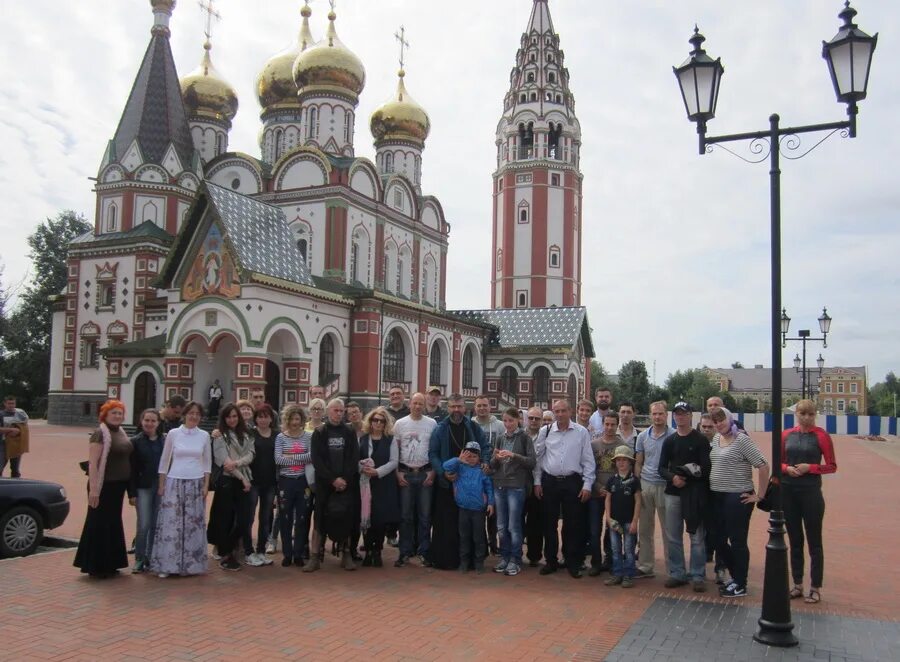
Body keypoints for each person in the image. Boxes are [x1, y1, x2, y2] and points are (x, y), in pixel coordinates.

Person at [709, 407, 769, 598]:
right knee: (716, 539)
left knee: (737, 541)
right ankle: (736, 576)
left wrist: (759, 495)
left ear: (730, 420)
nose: (719, 424)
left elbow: (763, 465)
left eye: (722, 420)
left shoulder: (741, 439)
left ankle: (740, 583)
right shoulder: (716, 439)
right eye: (715, 421)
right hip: (717, 496)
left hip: (737, 497)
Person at [782, 399, 837, 605]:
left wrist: (810, 468)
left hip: (811, 492)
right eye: (802, 414)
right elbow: (778, 461)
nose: (806, 418)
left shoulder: (821, 435)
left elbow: (831, 466)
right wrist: (787, 468)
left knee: (814, 541)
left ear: (815, 415)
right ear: (796, 414)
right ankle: (797, 584)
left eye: (810, 414)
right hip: (788, 491)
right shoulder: (787, 434)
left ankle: (815, 587)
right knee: (795, 540)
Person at [533, 398, 595, 579]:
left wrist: (587, 484)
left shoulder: (581, 432)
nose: (560, 414)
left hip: (572, 481)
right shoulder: (546, 431)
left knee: (573, 524)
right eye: (556, 411)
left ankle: (572, 562)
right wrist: (537, 482)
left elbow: (588, 460)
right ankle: (551, 561)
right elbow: (538, 458)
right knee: (549, 523)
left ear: (570, 412)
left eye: (563, 411)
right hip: (550, 482)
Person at [150, 401, 211, 578]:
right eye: (191, 413)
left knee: (193, 524)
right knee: (171, 524)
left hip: (196, 482)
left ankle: (190, 565)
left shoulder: (204, 435)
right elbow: (164, 461)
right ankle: (168, 564)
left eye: (197, 414)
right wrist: (162, 484)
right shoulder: (173, 434)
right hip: (174, 481)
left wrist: (206, 485)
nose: (194, 416)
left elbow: (207, 462)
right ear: (184, 414)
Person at [74, 400, 134, 578]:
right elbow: (93, 464)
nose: (117, 416)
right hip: (103, 486)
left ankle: (111, 563)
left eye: (119, 413)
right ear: (105, 415)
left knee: (112, 523)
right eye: (113, 413)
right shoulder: (101, 434)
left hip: (118, 487)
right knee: (99, 524)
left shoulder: (121, 431)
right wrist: (94, 490)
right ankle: (95, 565)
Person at [429, 393, 489, 570]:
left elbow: (485, 447)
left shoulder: (473, 427)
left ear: (465, 407)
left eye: (459, 406)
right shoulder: (440, 429)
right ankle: (447, 560)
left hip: (470, 483)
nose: (456, 410)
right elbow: (433, 454)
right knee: (447, 523)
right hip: (448, 482)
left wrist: (484, 461)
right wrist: (443, 473)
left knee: (472, 524)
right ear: (448, 408)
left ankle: (471, 560)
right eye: (453, 407)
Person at [658, 401, 711, 592]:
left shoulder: (700, 440)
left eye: (684, 413)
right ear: (674, 416)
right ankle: (677, 573)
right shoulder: (670, 440)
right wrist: (673, 478)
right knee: (673, 536)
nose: (681, 417)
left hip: (694, 494)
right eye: (678, 414)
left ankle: (697, 574)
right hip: (673, 493)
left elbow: (706, 469)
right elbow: (661, 468)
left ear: (691, 416)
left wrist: (689, 473)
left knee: (696, 536)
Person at [304, 398, 360, 572]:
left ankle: (346, 555)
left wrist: (344, 479)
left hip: (346, 484)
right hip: (325, 484)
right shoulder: (320, 432)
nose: (338, 413)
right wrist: (332, 480)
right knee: (319, 519)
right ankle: (314, 557)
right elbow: (317, 459)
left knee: (346, 518)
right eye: (335, 410)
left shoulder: (349, 431)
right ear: (328, 411)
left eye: (341, 411)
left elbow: (354, 457)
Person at [207, 403, 255, 572]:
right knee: (225, 519)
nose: (232, 419)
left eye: (235, 416)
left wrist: (238, 463)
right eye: (229, 417)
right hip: (228, 481)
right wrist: (242, 478)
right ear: (224, 418)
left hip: (244, 480)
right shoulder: (220, 435)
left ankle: (227, 548)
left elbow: (251, 454)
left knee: (244, 520)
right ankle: (226, 554)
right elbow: (224, 461)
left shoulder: (246, 433)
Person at [393, 393, 438, 567]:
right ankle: (404, 551)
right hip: (406, 473)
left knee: (425, 516)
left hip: (425, 473)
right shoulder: (400, 424)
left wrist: (433, 472)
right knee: (405, 516)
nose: (418, 406)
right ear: (409, 404)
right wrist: (397, 472)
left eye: (421, 403)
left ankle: (424, 551)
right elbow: (395, 451)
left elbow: (435, 449)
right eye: (415, 403)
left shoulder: (431, 423)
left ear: (425, 405)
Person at [489, 407, 535, 577]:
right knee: (501, 526)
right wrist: (496, 458)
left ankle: (515, 559)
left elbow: (531, 462)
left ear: (518, 421)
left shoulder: (524, 438)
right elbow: (493, 464)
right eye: (505, 421)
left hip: (516, 486)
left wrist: (514, 455)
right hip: (500, 485)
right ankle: (505, 556)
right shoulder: (500, 438)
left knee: (513, 525)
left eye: (511, 421)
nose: (508, 424)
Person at [634, 401, 674, 579]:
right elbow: (638, 461)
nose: (657, 417)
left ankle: (673, 568)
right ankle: (645, 566)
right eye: (654, 414)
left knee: (669, 530)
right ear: (650, 415)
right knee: (645, 528)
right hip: (646, 486)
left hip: (666, 486)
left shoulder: (673, 436)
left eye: (661, 414)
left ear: (666, 415)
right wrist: (638, 482)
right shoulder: (643, 436)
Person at [443, 441, 495, 574]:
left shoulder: (482, 471)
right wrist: (458, 460)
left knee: (478, 537)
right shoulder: (459, 467)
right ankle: (464, 562)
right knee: (464, 536)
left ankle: (479, 563)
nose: (471, 459)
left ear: (479, 457)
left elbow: (489, 488)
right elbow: (446, 466)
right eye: (468, 456)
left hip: (478, 510)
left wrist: (490, 503)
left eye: (474, 456)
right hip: (463, 509)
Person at [358, 407, 400, 567]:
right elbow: (356, 458)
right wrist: (362, 467)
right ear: (370, 421)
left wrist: (377, 471)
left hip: (384, 483)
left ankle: (377, 550)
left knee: (380, 519)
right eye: (375, 420)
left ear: (385, 423)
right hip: (366, 484)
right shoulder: (363, 439)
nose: (378, 423)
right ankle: (368, 550)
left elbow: (394, 461)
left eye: (381, 421)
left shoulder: (390, 439)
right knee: (366, 517)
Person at [275, 404, 312, 567]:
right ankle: (287, 554)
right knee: (285, 518)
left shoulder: (308, 437)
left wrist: (290, 455)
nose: (294, 422)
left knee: (302, 518)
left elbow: (311, 456)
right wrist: (300, 457)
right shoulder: (281, 438)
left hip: (303, 481)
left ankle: (298, 553)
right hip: (286, 481)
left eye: (297, 419)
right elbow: (278, 459)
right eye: (291, 419)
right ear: (287, 420)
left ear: (302, 420)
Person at [129, 408, 165, 573]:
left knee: (155, 523)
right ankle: (139, 557)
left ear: (158, 423)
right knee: (144, 524)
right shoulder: (135, 442)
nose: (150, 424)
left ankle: (151, 556)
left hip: (160, 486)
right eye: (147, 420)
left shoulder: (164, 441)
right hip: (142, 487)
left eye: (153, 421)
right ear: (141, 422)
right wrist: (132, 493)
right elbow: (131, 470)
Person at [588, 411, 624, 575]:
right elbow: (589, 469)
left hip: (614, 495)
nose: (609, 427)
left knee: (612, 530)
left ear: (617, 426)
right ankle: (595, 562)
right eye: (607, 424)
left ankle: (610, 560)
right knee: (594, 530)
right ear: (602, 424)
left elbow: (623, 471)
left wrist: (610, 489)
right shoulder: (594, 444)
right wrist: (597, 487)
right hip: (596, 494)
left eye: (612, 424)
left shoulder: (622, 446)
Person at [244, 404, 277, 567]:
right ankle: (248, 551)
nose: (263, 419)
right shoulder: (250, 434)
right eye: (260, 416)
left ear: (271, 418)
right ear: (255, 418)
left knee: (265, 519)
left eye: (266, 416)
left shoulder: (277, 435)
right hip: (252, 482)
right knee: (249, 517)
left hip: (270, 483)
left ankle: (261, 551)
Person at [604, 445, 641, 588]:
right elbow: (607, 499)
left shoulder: (634, 481)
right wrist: (608, 517)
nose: (621, 463)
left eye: (624, 460)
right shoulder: (612, 480)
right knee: (615, 548)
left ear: (630, 462)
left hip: (628, 521)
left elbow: (638, 500)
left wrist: (635, 521)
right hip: (614, 521)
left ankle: (628, 575)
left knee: (629, 548)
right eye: (618, 460)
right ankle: (617, 573)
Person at [473, 394, 504, 556]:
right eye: (479, 406)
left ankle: (494, 543)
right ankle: (481, 544)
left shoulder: (499, 425)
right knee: (478, 510)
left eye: (485, 405)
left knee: (494, 511)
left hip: (494, 473)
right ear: (475, 408)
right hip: (476, 474)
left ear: (490, 407)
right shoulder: (470, 424)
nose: (482, 408)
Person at [523, 406, 545, 568]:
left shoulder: (546, 436)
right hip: (520, 482)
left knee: (536, 520)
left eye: (537, 418)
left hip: (539, 483)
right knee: (517, 519)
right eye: (531, 418)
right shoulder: (520, 435)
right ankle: (515, 553)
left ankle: (534, 555)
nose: (533, 421)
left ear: (542, 420)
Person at [0, 395, 28, 478]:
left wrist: (19, 431)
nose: (11, 405)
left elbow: (25, 428)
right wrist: (11, 430)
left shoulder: (20, 414)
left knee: (15, 470)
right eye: (9, 403)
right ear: (5, 404)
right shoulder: (1, 414)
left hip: (16, 444)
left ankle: (15, 487)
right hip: (2, 444)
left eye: (13, 403)